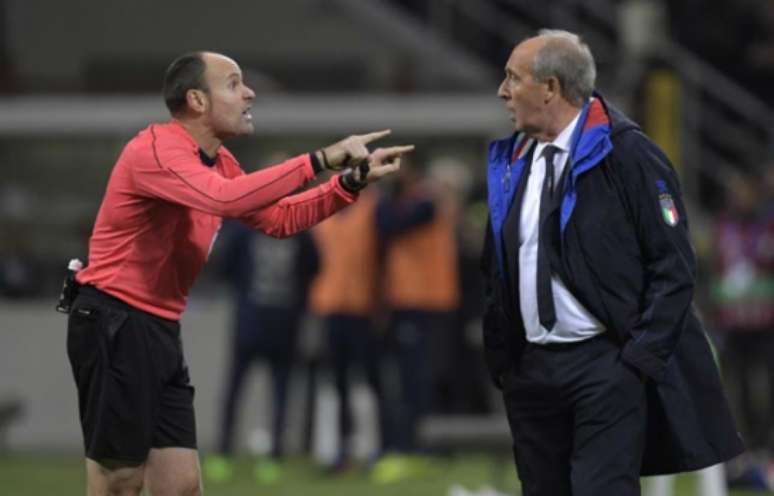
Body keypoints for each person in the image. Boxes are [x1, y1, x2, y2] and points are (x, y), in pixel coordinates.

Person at [64, 51, 412, 496]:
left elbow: (279, 219)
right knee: (118, 479)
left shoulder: (217, 160)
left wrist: (348, 183)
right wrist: (320, 159)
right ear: (197, 100)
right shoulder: (157, 149)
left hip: (157, 325)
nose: (248, 93)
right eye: (233, 83)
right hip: (115, 321)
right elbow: (225, 200)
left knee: (181, 485)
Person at [481, 30, 744, 496]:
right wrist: (506, 360)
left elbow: (675, 266)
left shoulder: (628, 154)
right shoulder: (515, 159)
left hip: (604, 365)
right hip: (532, 371)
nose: (502, 91)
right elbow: (498, 266)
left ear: (551, 88)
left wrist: (637, 361)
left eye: (512, 78)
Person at [204, 216, 319, 484]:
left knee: (269, 392)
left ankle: (262, 455)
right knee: (245, 390)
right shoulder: (257, 228)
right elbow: (225, 266)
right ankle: (231, 452)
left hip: (272, 324)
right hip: (263, 323)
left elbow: (314, 266)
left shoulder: (288, 229)